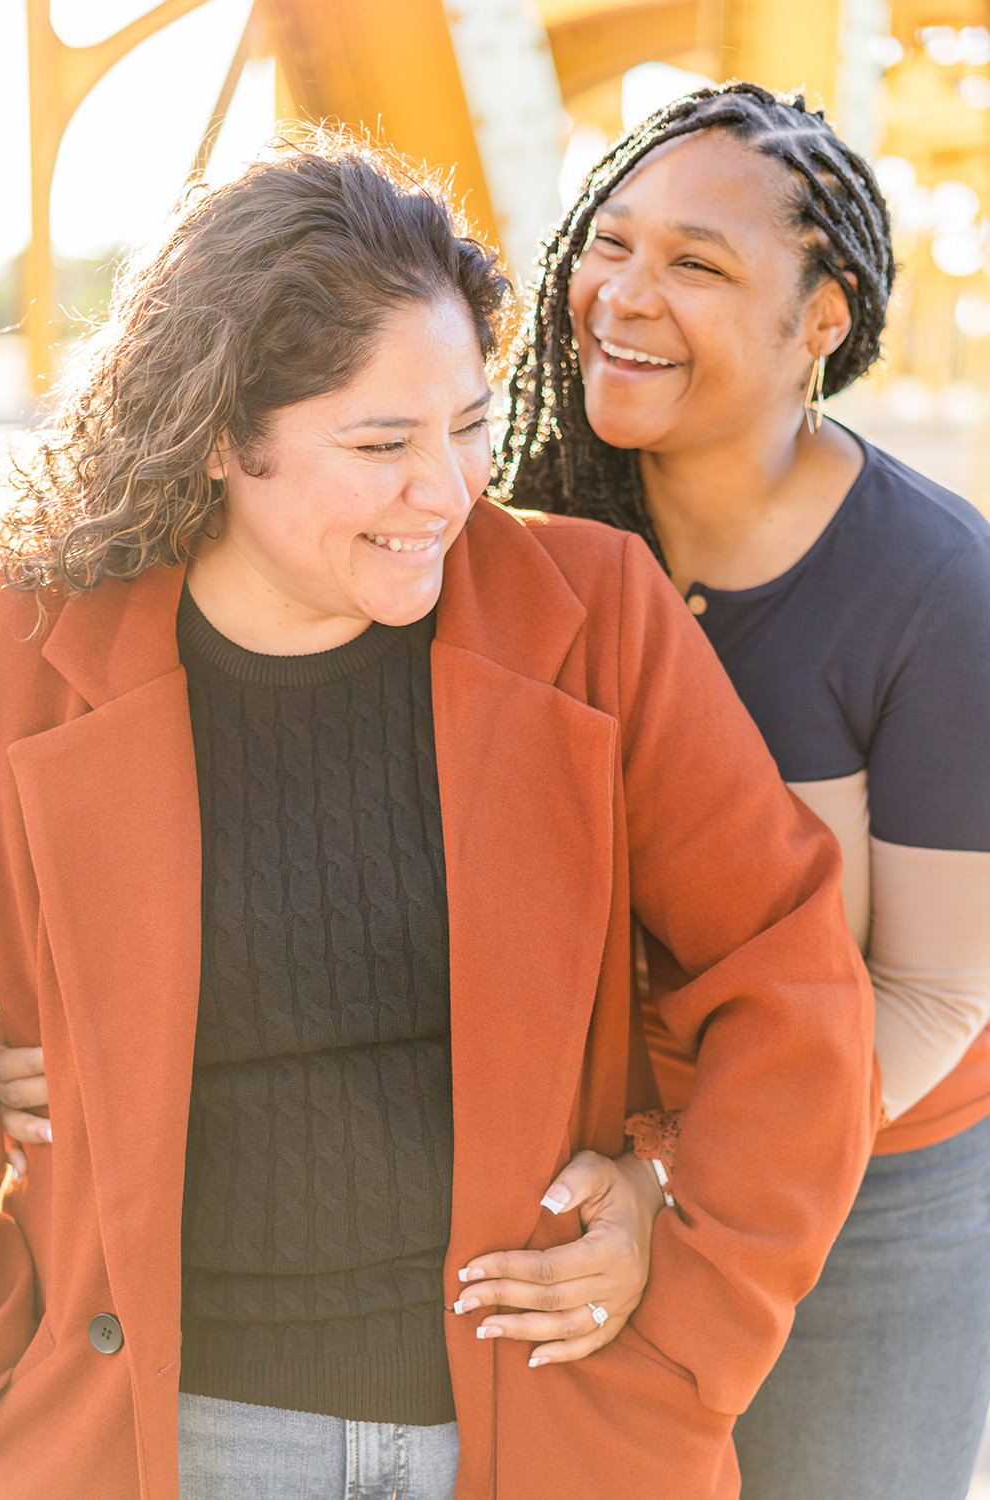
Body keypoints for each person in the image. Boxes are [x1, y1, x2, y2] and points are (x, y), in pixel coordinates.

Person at [0, 129, 875, 1500]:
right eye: (381, 443)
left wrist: (674, 1258)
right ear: (221, 436)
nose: (448, 491)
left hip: (556, 1432)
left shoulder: (596, 618)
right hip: (163, 1439)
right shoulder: (25, 653)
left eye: (469, 424)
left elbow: (792, 986)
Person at [496, 80, 990, 1500]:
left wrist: (681, 1179)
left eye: (698, 264)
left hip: (870, 1191)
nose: (623, 296)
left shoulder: (933, 587)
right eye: (612, 240)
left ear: (822, 316)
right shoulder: (528, 528)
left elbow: (937, 993)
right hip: (571, 1188)